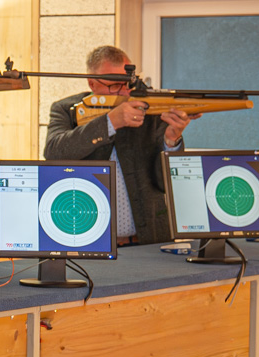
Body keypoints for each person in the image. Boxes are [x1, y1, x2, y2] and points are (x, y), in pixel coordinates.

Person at [44, 45, 197, 245]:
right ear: (92, 84)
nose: (125, 92)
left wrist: (172, 140)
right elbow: (54, 152)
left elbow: (166, 183)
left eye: (129, 83)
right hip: (89, 243)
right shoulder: (66, 109)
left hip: (150, 240)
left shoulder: (151, 109)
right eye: (116, 84)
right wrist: (109, 123)